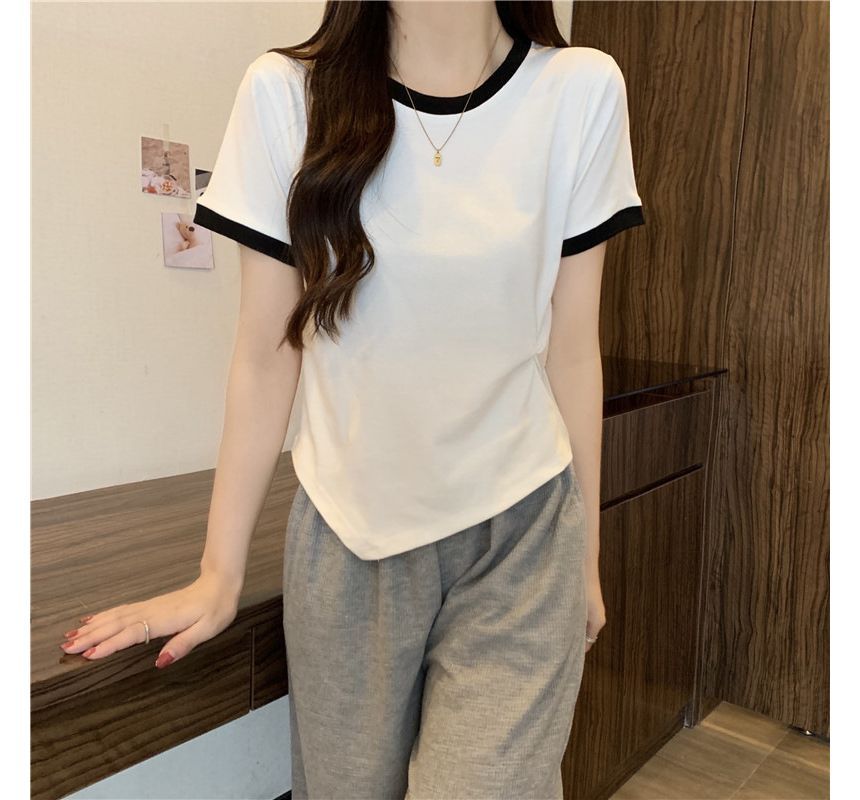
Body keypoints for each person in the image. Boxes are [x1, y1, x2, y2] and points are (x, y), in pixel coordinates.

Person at [60, 1, 645, 797]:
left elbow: (572, 350)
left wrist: (586, 561)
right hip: (349, 541)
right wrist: (217, 573)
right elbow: (266, 355)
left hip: (522, 536)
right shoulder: (283, 95)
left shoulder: (580, 90)